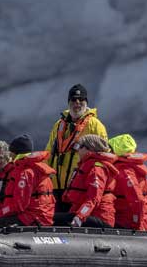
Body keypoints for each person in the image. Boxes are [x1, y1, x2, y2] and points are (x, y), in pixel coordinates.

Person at [45, 84, 108, 212]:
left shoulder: (95, 125)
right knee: (57, 224)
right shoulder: (59, 125)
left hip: (79, 185)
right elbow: (49, 151)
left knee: (72, 225)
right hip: (57, 185)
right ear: (69, 102)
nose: (77, 103)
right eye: (73, 100)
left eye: (81, 100)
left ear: (86, 102)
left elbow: (104, 155)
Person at [54, 134, 117, 228]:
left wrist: (80, 216)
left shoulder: (96, 169)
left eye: (80, 146)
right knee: (55, 218)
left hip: (99, 217)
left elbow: (94, 198)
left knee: (54, 219)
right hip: (87, 214)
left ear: (88, 148)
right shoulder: (87, 165)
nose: (77, 150)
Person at [0, 134, 56, 227]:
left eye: (11, 151)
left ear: (16, 152)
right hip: (40, 216)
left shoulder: (26, 173)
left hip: (32, 218)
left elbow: (19, 205)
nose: (9, 155)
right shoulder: (36, 168)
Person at [108, 134, 147, 231]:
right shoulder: (130, 166)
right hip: (132, 220)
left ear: (117, 150)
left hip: (128, 223)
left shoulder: (125, 170)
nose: (108, 151)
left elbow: (137, 199)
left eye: (110, 149)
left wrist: (138, 225)